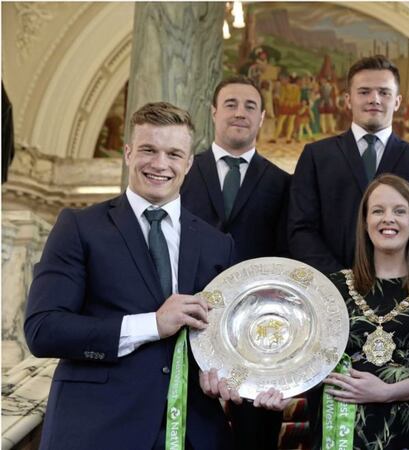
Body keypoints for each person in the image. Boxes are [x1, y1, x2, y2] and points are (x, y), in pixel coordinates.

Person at [24, 102, 234, 449]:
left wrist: (232, 378)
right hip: (98, 429)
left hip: (194, 433)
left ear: (189, 163)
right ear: (127, 153)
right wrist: (152, 323)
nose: (160, 164)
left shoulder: (218, 245)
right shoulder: (79, 227)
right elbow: (43, 330)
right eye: (148, 150)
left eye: (173, 153)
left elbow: (223, 341)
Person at [311, 174, 409, 449]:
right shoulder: (333, 288)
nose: (388, 218)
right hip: (341, 436)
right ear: (365, 223)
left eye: (399, 211)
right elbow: (307, 360)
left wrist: (386, 392)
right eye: (377, 211)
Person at [180, 75, 289, 449]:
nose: (240, 113)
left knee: (254, 439)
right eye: (230, 104)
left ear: (261, 119)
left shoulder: (283, 182)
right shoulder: (182, 173)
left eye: (250, 106)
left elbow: (286, 255)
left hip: (257, 332)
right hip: (190, 323)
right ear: (213, 113)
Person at [288, 55, 409, 275]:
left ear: (397, 101)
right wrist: (339, 280)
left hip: (401, 289)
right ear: (348, 99)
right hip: (330, 288)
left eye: (384, 92)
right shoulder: (316, 156)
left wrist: (398, 278)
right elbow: (300, 229)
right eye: (364, 92)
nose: (374, 99)